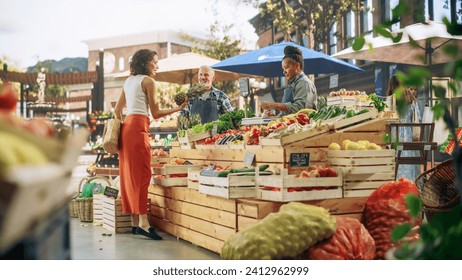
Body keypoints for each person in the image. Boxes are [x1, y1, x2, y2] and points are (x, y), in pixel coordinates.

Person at [113, 49, 187, 240]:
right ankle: (145, 224)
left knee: (129, 175)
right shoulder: (148, 81)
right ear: (145, 63)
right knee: (143, 173)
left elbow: (117, 110)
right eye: (154, 62)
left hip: (126, 128)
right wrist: (178, 108)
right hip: (138, 127)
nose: (157, 65)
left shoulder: (129, 81)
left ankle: (134, 223)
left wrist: (121, 127)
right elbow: (155, 113)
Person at [260, 45, 317, 116]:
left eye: (286, 67)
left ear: (297, 66)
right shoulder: (293, 84)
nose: (284, 72)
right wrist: (275, 117)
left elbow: (302, 110)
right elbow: (286, 114)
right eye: (283, 69)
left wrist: (276, 105)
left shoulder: (305, 83)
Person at [388, 75, 421, 181]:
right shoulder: (412, 99)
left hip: (395, 137)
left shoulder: (390, 100)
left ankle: (397, 184)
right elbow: (417, 119)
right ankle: (412, 183)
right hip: (409, 138)